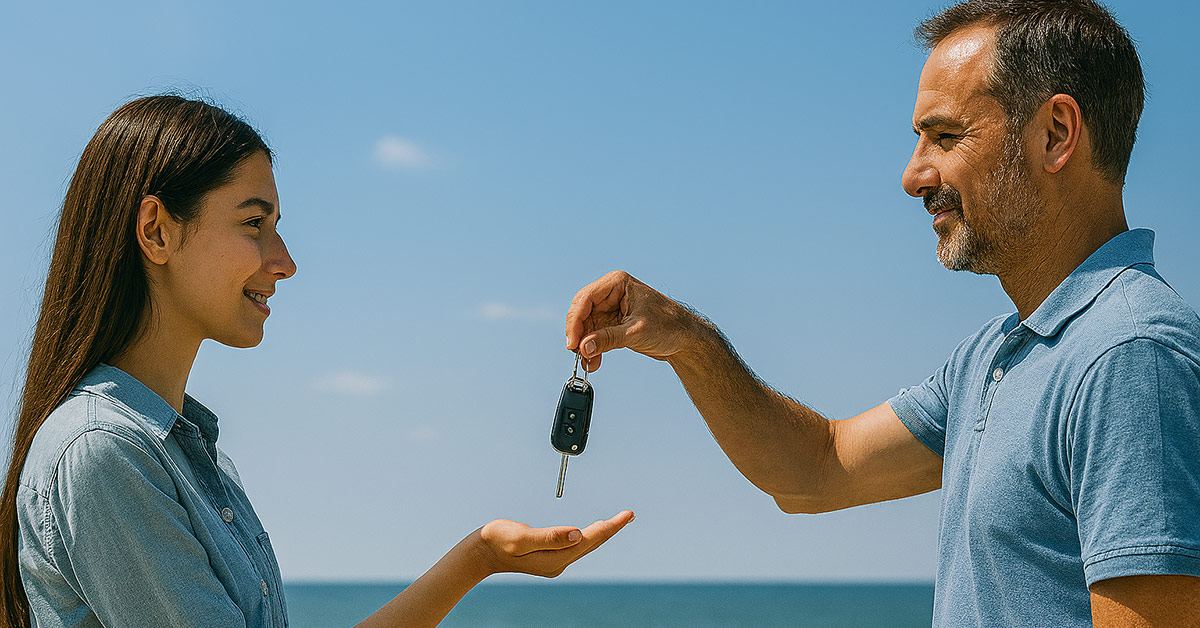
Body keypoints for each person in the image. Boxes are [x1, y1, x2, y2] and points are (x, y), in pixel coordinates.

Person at [564, 1, 1199, 626]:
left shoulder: (1130, 358)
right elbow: (814, 469)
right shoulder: (995, 355)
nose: (913, 175)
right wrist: (687, 341)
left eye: (945, 136)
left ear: (1056, 134)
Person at [0, 95, 633, 628]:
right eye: (255, 223)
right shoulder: (106, 452)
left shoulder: (181, 452)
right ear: (157, 230)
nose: (285, 260)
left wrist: (480, 558)